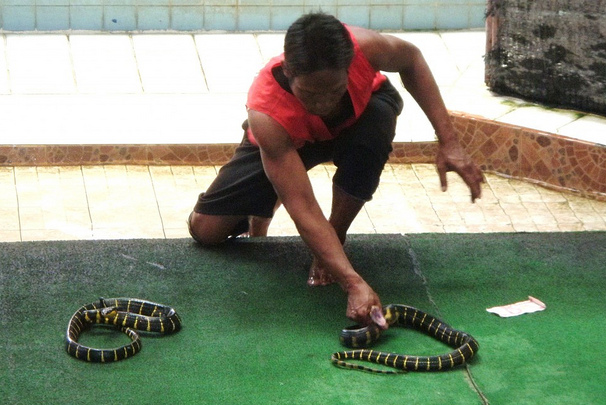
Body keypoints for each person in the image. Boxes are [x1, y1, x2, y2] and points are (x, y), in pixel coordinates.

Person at [188, 12, 483, 329]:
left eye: (335, 90)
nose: (324, 103)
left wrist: (449, 142)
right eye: (311, 93)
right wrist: (354, 283)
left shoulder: (365, 47)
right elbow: (302, 205)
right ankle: (270, 199)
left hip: (357, 122)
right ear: (288, 71)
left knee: (376, 124)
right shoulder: (266, 113)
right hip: (288, 140)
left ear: (349, 66)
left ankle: (335, 235)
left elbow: (412, 59)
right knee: (206, 231)